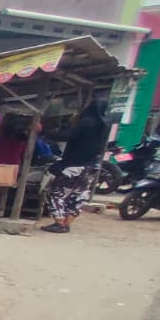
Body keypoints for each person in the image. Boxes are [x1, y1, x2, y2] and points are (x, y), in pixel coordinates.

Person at [43, 99, 111, 234]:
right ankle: (67, 223)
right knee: (77, 195)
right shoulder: (104, 125)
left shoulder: (86, 122)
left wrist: (43, 131)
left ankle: (59, 223)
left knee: (55, 192)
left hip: (74, 165)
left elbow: (67, 136)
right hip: (92, 166)